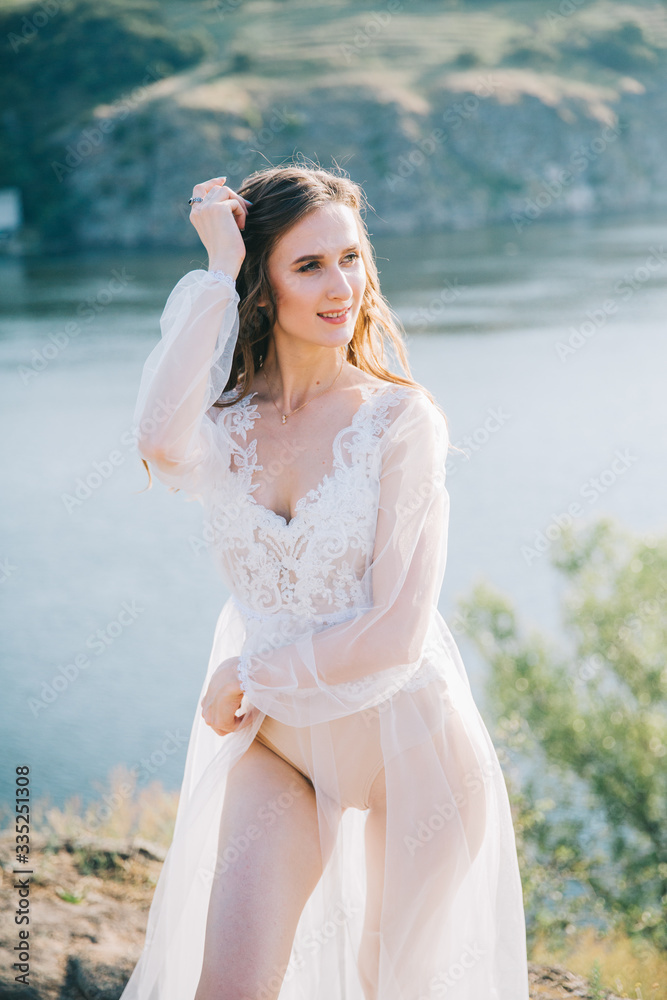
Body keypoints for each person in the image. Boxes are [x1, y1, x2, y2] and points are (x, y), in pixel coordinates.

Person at [119, 163, 529, 1000]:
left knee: (391, 989)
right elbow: (157, 438)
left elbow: (396, 633)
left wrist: (250, 671)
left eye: (350, 259)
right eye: (308, 266)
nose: (341, 287)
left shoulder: (399, 420)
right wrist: (217, 266)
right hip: (280, 750)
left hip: (408, 757)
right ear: (261, 288)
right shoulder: (226, 424)